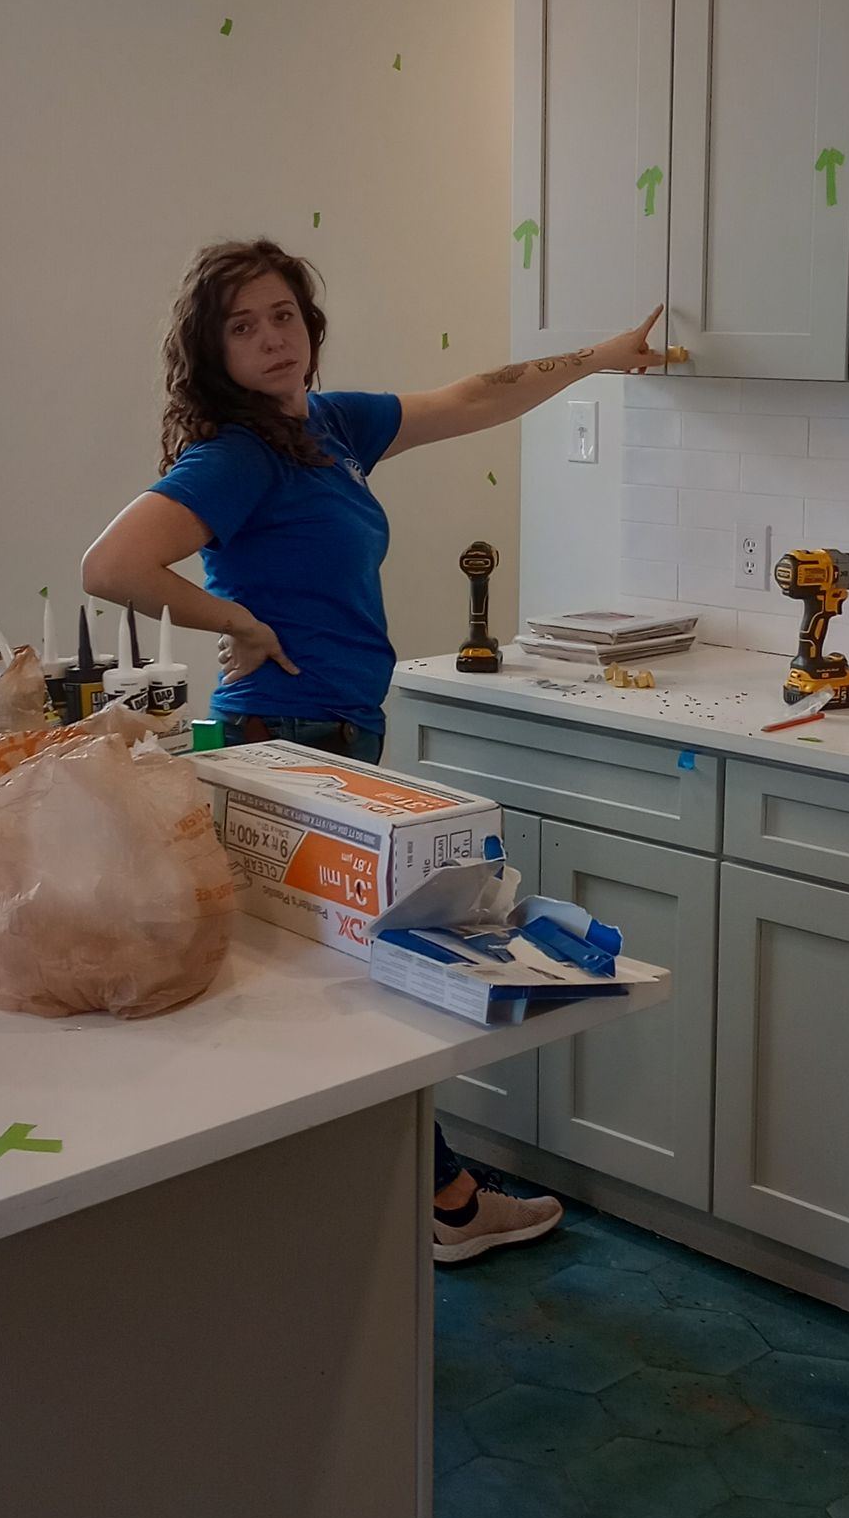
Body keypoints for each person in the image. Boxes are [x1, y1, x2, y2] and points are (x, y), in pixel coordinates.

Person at [82, 236, 667, 1263]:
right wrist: (234, 622)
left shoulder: (333, 426)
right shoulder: (236, 456)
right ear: (213, 352)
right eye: (244, 325)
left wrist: (599, 357)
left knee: (331, 985)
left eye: (284, 315)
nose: (273, 338)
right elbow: (112, 563)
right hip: (285, 735)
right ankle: (441, 1201)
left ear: (310, 323)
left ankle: (378, 1200)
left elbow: (473, 397)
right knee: (346, 992)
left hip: (341, 731)